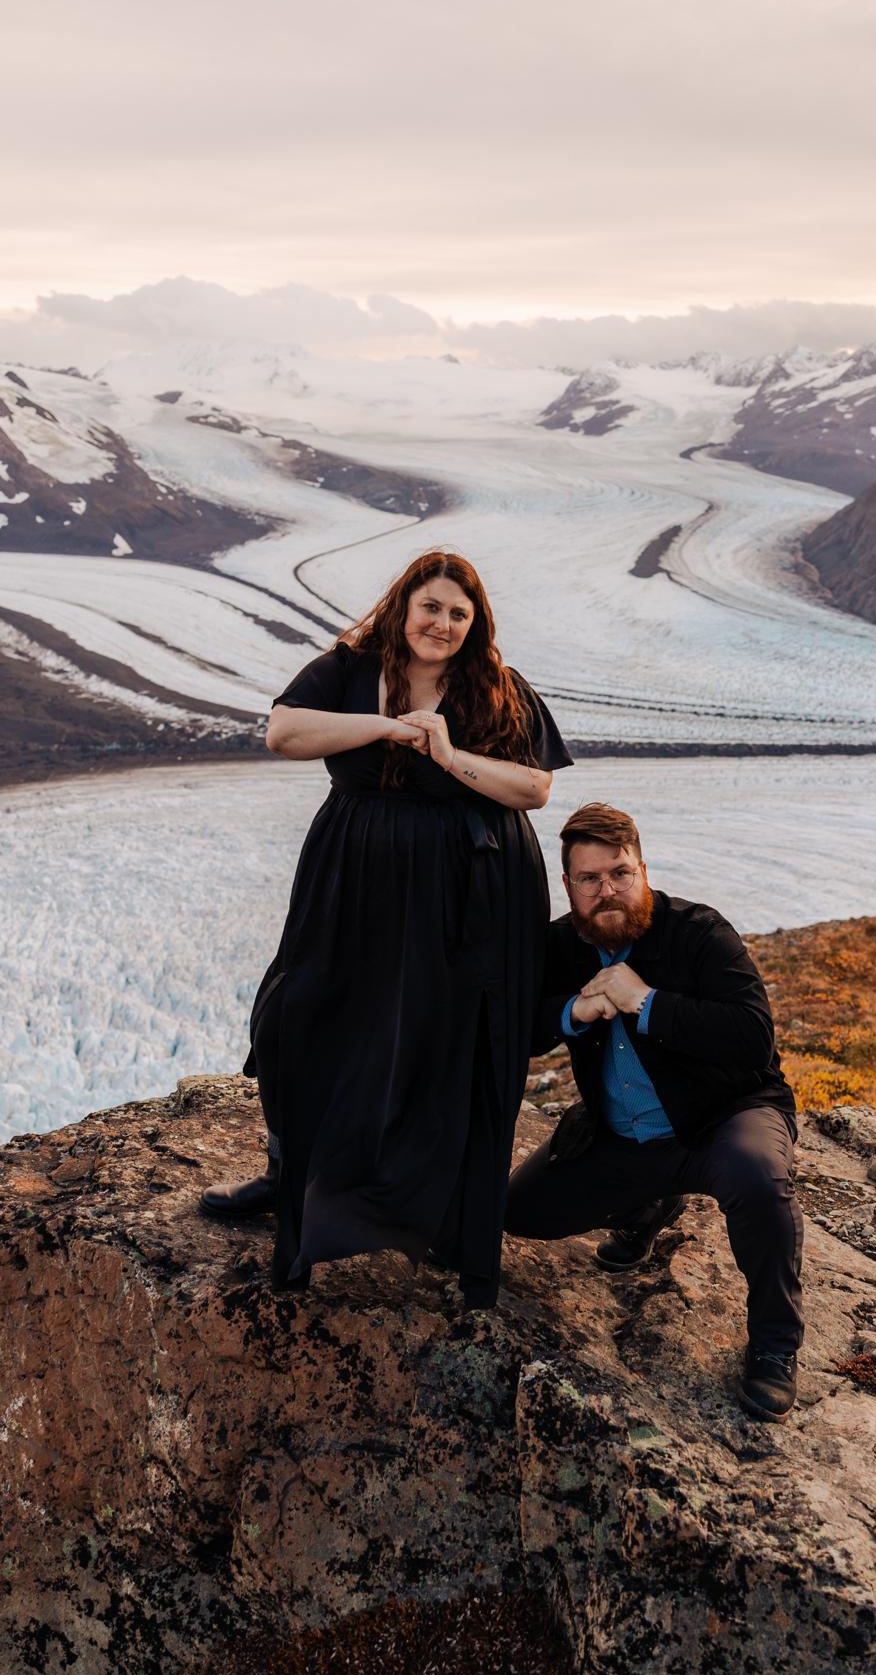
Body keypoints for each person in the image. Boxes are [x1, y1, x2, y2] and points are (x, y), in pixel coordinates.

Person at [200, 550, 572, 1307]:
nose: (441, 624)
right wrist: (382, 728)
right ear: (405, 605)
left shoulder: (496, 687)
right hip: (355, 872)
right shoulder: (349, 666)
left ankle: (442, 1218)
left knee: (446, 1044)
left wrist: (447, 752)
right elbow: (282, 733)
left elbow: (533, 785)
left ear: (475, 624)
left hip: (467, 887)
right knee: (295, 1016)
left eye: (458, 614)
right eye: (430, 607)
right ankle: (290, 1176)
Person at [505, 802, 803, 1421]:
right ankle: (646, 1207)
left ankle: (775, 1346)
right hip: (624, 1139)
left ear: (644, 868)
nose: (607, 890)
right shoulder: (561, 945)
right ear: (569, 887)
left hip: (725, 1119)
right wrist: (571, 1012)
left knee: (758, 1179)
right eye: (590, 879)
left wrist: (645, 1003)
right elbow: (518, 1028)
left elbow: (753, 1036)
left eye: (619, 873)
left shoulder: (699, 931)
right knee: (520, 1212)